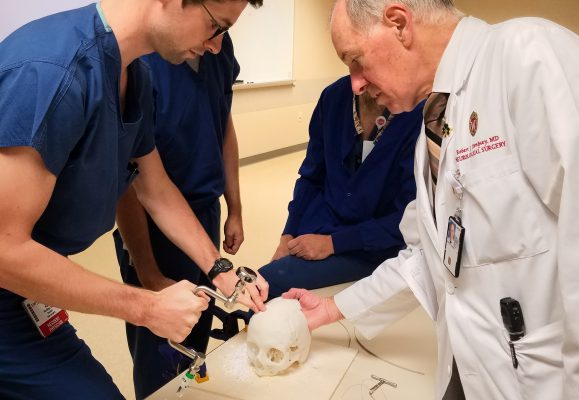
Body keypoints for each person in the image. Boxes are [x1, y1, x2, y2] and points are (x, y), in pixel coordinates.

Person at [284, 1, 579, 399]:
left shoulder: (528, 57)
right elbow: (426, 256)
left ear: (399, 23)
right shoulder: (434, 124)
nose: (356, 83)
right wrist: (331, 310)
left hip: (546, 380)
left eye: (356, 60)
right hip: (470, 368)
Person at [0, 1, 267, 398]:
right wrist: (145, 306)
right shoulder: (53, 72)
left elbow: (155, 189)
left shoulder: (131, 75)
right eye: (215, 26)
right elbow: (4, 248)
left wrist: (221, 269)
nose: (215, 47)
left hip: (26, 297)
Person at [113, 29, 254, 398]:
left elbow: (222, 125)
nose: (218, 42)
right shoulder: (138, 62)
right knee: (159, 352)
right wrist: (148, 272)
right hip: (148, 229)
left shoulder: (218, 51)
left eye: (227, 28)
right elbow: (132, 181)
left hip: (201, 216)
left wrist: (233, 209)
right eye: (214, 25)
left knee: (196, 337)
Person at [260, 75, 423, 298]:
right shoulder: (334, 97)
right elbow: (311, 176)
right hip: (321, 226)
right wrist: (287, 235)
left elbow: (408, 217)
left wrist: (334, 244)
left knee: (269, 281)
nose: (357, 82)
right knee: (263, 282)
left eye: (361, 59)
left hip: (372, 244)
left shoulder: (416, 113)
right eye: (348, 60)